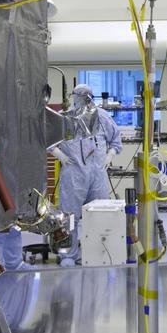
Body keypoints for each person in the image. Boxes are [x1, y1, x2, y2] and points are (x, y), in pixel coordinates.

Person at [53, 84, 122, 265]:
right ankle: (68, 254)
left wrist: (110, 155)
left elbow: (116, 138)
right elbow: (46, 138)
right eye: (81, 95)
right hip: (73, 173)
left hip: (97, 173)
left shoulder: (101, 116)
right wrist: (58, 154)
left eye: (87, 96)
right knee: (69, 216)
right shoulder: (64, 117)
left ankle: (98, 252)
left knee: (100, 214)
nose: (84, 99)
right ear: (73, 96)